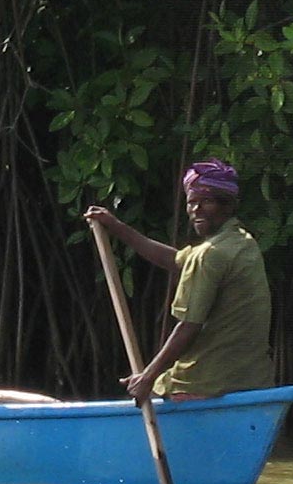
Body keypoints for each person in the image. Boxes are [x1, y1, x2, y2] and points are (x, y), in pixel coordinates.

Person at [84, 161, 274, 402]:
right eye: (191, 202)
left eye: (207, 201)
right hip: (255, 379)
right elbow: (176, 260)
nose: (196, 209)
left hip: (208, 379)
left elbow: (189, 326)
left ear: (228, 206)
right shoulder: (243, 243)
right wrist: (117, 228)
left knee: (151, 390)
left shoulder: (210, 254)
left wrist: (148, 376)